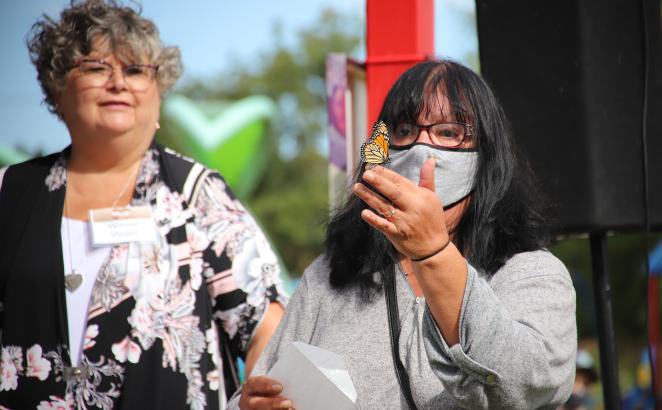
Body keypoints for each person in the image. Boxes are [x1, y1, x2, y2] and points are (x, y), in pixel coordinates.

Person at [232, 59, 577, 409]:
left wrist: (434, 254)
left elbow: (528, 384)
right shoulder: (331, 275)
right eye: (403, 131)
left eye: (448, 132)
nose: (420, 149)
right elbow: (266, 382)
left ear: (488, 157)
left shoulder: (531, 273)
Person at [0, 1, 285, 409]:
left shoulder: (196, 193)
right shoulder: (10, 192)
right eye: (97, 67)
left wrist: (260, 393)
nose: (118, 82)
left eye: (135, 70)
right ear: (58, 87)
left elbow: (265, 326)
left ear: (157, 94)